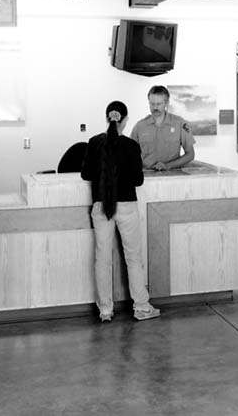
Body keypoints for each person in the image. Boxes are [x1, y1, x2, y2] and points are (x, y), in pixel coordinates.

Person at [80, 100, 160, 322]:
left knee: (102, 258)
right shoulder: (131, 146)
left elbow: (86, 174)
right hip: (126, 207)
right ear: (125, 120)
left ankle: (105, 310)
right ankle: (141, 307)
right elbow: (137, 180)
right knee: (133, 257)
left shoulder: (94, 142)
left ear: (107, 118)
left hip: (100, 206)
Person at [131, 85, 195, 172]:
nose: (155, 108)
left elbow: (190, 154)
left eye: (158, 104)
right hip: (146, 178)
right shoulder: (139, 126)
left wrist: (168, 166)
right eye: (152, 104)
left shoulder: (180, 123)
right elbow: (130, 154)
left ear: (166, 103)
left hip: (173, 176)